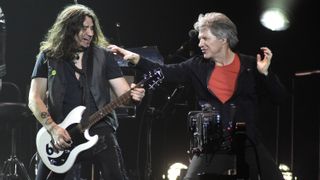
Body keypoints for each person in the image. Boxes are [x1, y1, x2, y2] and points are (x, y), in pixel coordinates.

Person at [108, 12, 287, 180]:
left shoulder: (250, 65)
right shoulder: (197, 65)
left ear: (223, 39)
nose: (200, 43)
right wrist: (134, 58)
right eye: (200, 38)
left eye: (205, 38)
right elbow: (164, 72)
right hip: (212, 145)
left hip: (248, 142)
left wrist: (265, 74)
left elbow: (280, 98)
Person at [28, 4, 145, 180]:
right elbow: (34, 98)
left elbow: (124, 93)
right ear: (69, 29)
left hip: (100, 129)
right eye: (84, 28)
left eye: (92, 28)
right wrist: (53, 128)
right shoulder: (48, 56)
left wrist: (134, 96)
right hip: (60, 133)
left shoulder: (103, 56)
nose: (90, 33)